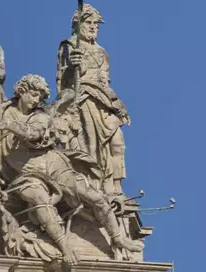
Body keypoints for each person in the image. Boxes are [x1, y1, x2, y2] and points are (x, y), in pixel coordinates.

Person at [0, 74, 143, 265]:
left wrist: (9, 126)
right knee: (40, 200)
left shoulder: (40, 116)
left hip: (53, 165)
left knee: (95, 196)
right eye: (34, 94)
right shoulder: (1, 111)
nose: (36, 100)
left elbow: (34, 133)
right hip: (25, 174)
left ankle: (118, 237)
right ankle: (66, 248)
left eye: (40, 97)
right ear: (21, 91)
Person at [57, 4, 130, 195]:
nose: (92, 27)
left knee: (117, 142)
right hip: (84, 101)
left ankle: (116, 187)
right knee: (91, 146)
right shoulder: (70, 46)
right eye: (88, 22)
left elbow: (105, 82)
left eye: (95, 24)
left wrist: (117, 103)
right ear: (77, 24)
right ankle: (94, 184)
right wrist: (73, 66)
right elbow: (63, 82)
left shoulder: (102, 52)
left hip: (104, 102)